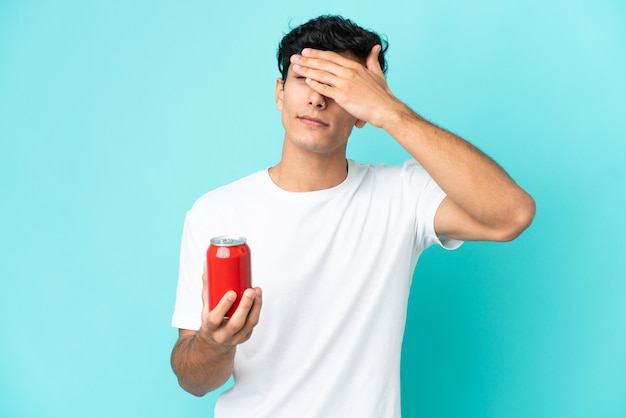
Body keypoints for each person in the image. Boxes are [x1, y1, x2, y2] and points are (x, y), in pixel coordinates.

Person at [170, 14, 535, 418]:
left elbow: (512, 214)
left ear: (363, 110)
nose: (316, 98)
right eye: (305, 79)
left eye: (337, 85)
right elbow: (193, 381)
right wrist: (216, 343)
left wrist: (391, 112)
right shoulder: (217, 211)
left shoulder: (402, 196)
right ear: (279, 92)